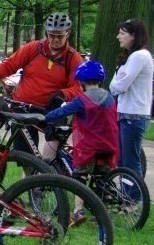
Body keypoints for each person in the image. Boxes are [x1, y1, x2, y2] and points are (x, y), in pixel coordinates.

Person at [0, 12, 84, 160]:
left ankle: (49, 174)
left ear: (67, 34)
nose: (55, 39)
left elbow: (78, 87)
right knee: (26, 157)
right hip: (23, 106)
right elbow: (9, 66)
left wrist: (63, 94)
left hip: (51, 108)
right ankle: (30, 181)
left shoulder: (73, 58)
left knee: (52, 147)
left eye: (60, 36)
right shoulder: (34, 48)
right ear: (46, 33)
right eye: (51, 35)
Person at [44, 60, 118, 225]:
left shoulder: (81, 100)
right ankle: (103, 214)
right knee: (102, 177)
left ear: (82, 82)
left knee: (80, 177)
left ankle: (78, 211)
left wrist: (45, 117)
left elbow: (62, 111)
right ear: (100, 79)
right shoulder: (110, 98)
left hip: (89, 148)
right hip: (109, 146)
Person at [110, 19, 154, 179]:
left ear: (134, 36)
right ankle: (127, 197)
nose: (118, 37)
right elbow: (117, 83)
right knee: (123, 160)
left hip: (133, 115)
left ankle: (133, 201)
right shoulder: (132, 57)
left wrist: (116, 83)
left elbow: (118, 86)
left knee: (130, 161)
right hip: (125, 113)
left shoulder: (139, 56)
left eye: (122, 33)